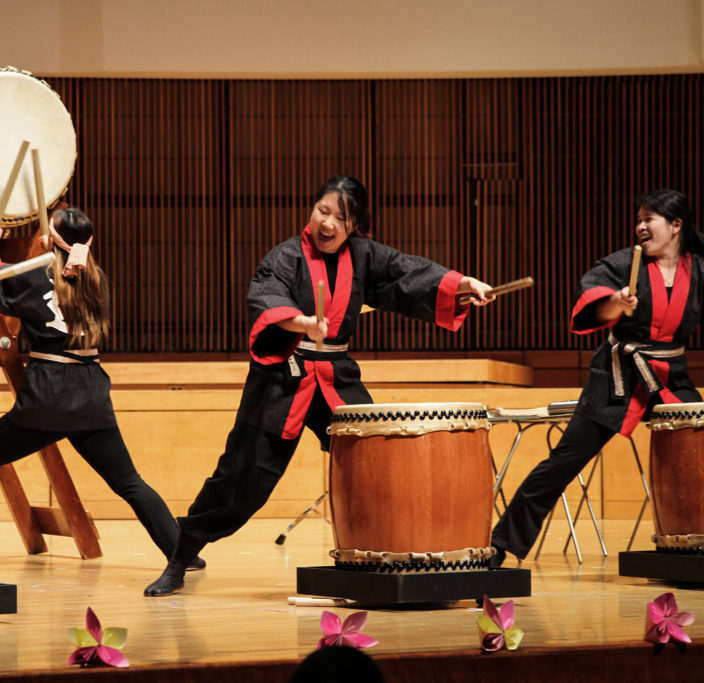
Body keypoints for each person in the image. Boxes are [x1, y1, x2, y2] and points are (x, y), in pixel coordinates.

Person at [144, 175, 495, 596]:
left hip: (337, 377)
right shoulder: (285, 257)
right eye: (322, 211)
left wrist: (463, 286)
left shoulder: (364, 256)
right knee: (240, 479)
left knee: (376, 461)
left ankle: (374, 562)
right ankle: (180, 558)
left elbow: (408, 273)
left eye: (341, 218)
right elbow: (265, 298)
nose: (328, 224)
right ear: (311, 210)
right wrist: (303, 323)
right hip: (281, 377)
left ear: (356, 226)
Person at [0, 208, 204, 566]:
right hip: (90, 396)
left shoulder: (35, 274)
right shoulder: (95, 276)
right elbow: (54, 280)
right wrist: (46, 249)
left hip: (47, 399)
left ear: (51, 238)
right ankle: (183, 554)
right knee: (130, 482)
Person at [490, 189, 702, 566]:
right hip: (617, 376)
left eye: (649, 218)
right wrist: (616, 304)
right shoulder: (621, 265)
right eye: (638, 218)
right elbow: (593, 305)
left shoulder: (698, 269)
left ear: (676, 225)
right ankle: (501, 546)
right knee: (564, 461)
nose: (640, 226)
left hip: (670, 376)